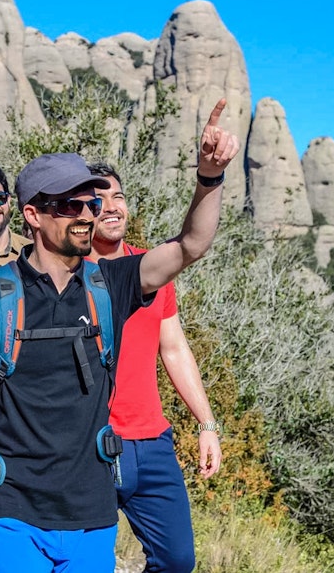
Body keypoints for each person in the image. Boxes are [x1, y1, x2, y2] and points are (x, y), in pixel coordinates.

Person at [0, 98, 240, 572]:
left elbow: (192, 245)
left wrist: (209, 177)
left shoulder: (111, 285)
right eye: (69, 204)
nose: (86, 214)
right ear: (33, 215)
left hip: (92, 515)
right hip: (12, 507)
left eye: (90, 203)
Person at [88, 162, 222, 573]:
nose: (111, 207)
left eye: (118, 197)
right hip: (89, 446)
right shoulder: (69, 277)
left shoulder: (152, 270)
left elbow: (175, 348)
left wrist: (206, 424)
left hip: (152, 442)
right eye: (97, 201)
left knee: (177, 561)